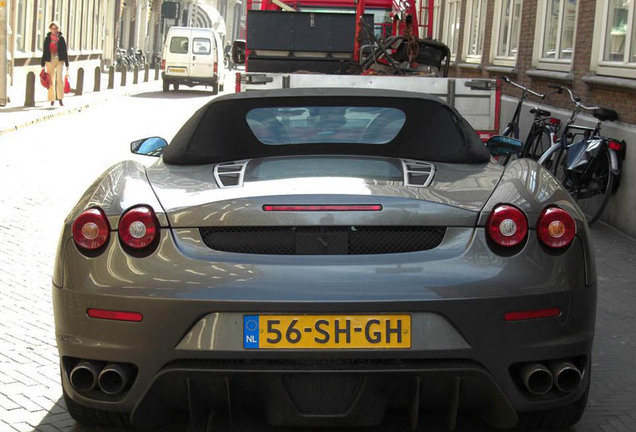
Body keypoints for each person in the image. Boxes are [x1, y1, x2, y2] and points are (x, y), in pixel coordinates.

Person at [41, 21, 69, 106]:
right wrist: (42, 64)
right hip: (50, 60)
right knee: (51, 80)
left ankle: (60, 98)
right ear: (50, 29)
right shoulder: (47, 39)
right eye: (52, 28)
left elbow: (64, 51)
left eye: (55, 28)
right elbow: (45, 51)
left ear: (58, 29)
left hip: (60, 60)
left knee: (59, 79)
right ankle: (52, 99)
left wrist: (67, 63)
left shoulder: (61, 38)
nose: (54, 30)